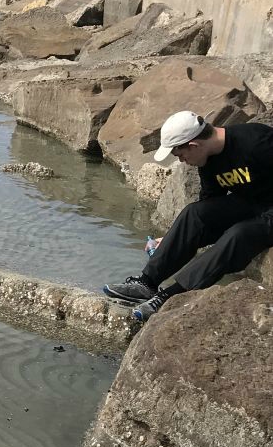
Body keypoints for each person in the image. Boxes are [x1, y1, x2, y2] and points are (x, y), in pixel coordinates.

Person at [103, 111, 273, 322]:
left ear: (193, 145)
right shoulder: (209, 160)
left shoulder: (258, 142)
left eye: (180, 155)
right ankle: (146, 283)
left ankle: (171, 295)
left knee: (239, 234)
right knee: (195, 213)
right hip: (250, 203)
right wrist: (172, 239)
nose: (183, 162)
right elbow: (209, 204)